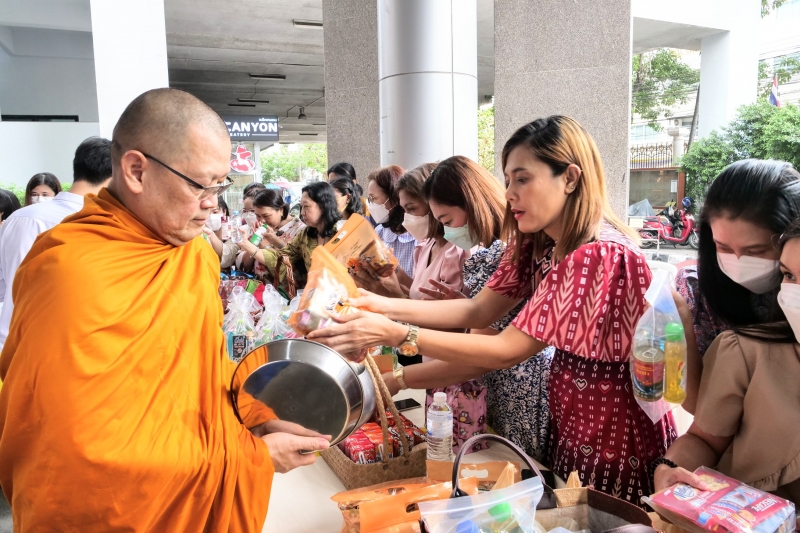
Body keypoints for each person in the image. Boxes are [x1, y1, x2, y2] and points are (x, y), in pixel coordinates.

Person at [0, 88, 329, 532]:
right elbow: (75, 453)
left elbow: (203, 371)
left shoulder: (191, 254)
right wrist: (251, 457)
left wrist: (258, 416)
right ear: (136, 170)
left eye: (220, 184)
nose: (213, 202)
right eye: (200, 184)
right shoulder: (69, 272)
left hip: (186, 483)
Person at [310, 116, 677, 503]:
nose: (510, 194)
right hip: (572, 416)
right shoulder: (538, 245)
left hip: (612, 427)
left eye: (522, 179)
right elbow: (477, 312)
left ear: (569, 178)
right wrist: (379, 304)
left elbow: (506, 350)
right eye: (506, 180)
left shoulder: (596, 254)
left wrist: (398, 333)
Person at [653, 217, 800, 507]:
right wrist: (669, 469)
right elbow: (704, 440)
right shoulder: (748, 352)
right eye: (790, 276)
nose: (794, 293)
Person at [674, 160, 800, 413]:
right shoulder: (694, 287)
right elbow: (700, 409)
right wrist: (681, 326)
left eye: (757, 251)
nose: (739, 262)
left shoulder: (793, 296)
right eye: (724, 247)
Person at [0, 137, 113, 351]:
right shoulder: (97, 223)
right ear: (116, 174)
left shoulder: (17, 218)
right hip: (58, 351)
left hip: (8, 348)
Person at [238, 181, 341, 290]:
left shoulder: (342, 231)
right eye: (301, 207)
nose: (302, 213)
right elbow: (281, 259)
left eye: (306, 207)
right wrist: (249, 245)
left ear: (324, 206)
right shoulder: (306, 234)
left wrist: (260, 246)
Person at [236, 189, 305, 281]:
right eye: (258, 216)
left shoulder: (300, 230)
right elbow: (243, 265)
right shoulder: (259, 228)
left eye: (266, 216)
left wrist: (266, 247)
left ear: (281, 210)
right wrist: (253, 244)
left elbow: (294, 268)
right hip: (260, 289)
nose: (262, 220)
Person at [367, 166, 417, 277]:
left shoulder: (417, 236)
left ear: (394, 199)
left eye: (374, 198)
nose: (371, 205)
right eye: (370, 199)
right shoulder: (379, 232)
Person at [202, 195, 239, 269]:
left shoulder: (233, 229)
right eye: (207, 212)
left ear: (224, 211)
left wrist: (212, 235)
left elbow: (230, 255)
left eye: (215, 212)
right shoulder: (199, 232)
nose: (211, 216)